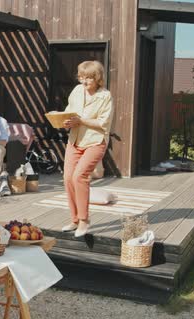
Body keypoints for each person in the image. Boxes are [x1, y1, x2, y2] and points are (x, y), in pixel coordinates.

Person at [60, 60, 114, 237]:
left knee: (79, 176)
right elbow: (69, 111)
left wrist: (80, 121)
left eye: (88, 78)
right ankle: (74, 219)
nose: (84, 81)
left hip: (95, 141)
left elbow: (103, 124)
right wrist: (64, 121)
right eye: (81, 77)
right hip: (75, 140)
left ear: (98, 78)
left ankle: (84, 220)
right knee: (68, 178)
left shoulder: (105, 96)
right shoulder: (77, 90)